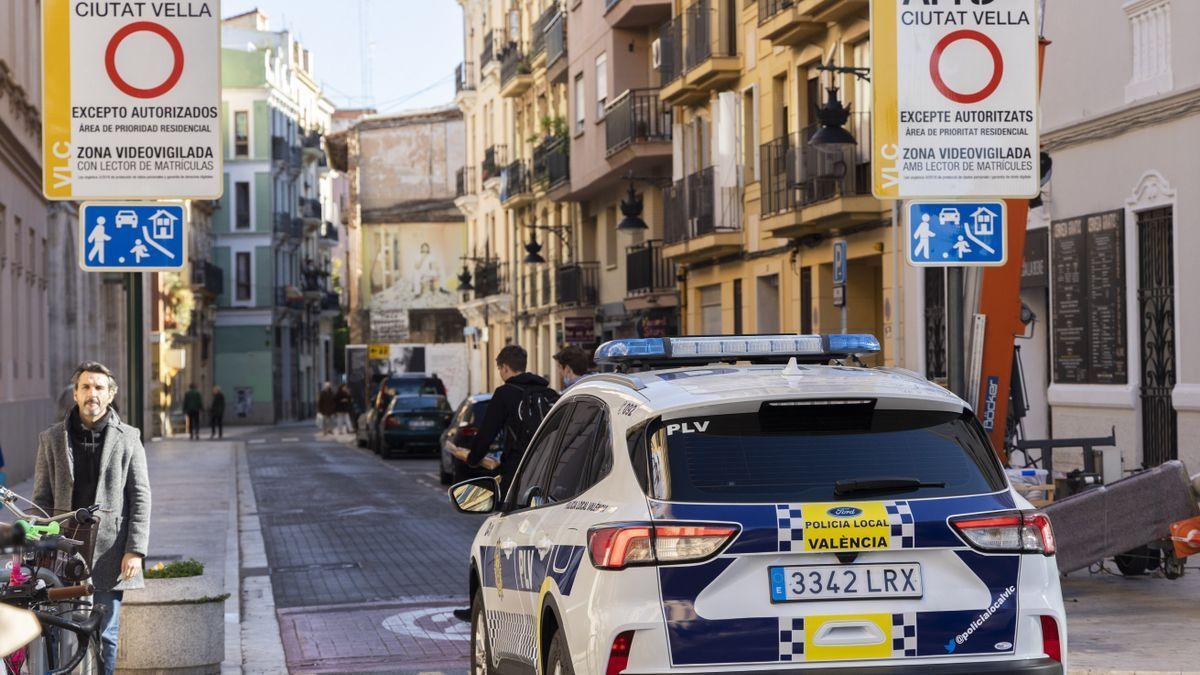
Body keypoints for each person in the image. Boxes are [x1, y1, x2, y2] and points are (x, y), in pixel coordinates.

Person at [33, 362, 151, 675]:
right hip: (62, 548)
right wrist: (37, 541)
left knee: (105, 634)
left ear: (110, 395)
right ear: (75, 394)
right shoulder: (52, 439)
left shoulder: (129, 438)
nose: (92, 394)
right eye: (85, 387)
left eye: (99, 388)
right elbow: (41, 500)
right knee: (58, 630)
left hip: (110, 552)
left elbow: (140, 496)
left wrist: (135, 550)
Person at [453, 345, 557, 622]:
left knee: (497, 535)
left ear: (503, 368)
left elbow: (487, 433)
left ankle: (485, 603)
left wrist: (473, 460)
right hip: (551, 476)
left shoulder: (505, 394)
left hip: (518, 477)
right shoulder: (549, 394)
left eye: (499, 369)